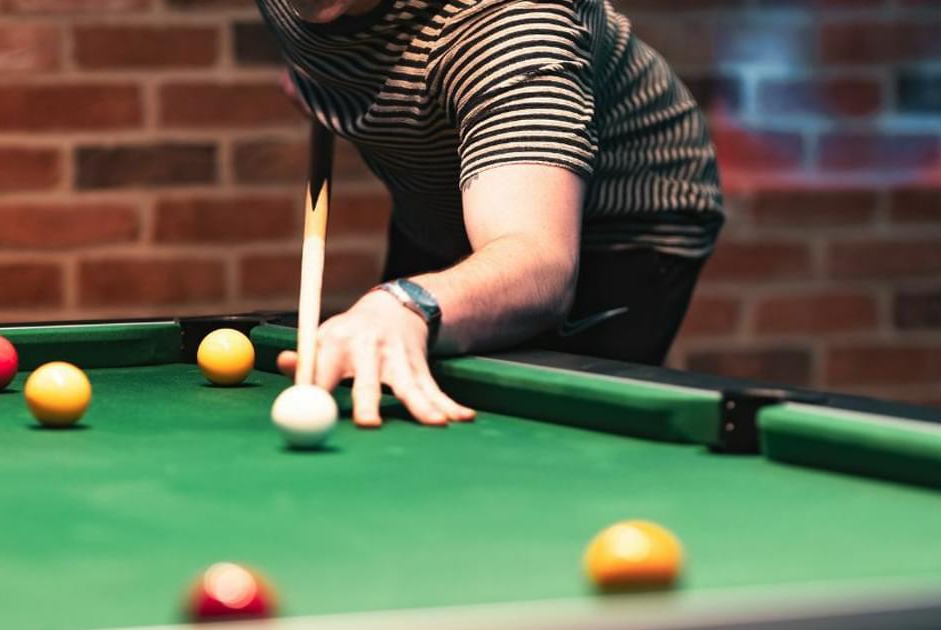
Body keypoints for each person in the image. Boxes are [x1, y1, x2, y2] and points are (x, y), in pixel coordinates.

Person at [260, 0, 724, 428]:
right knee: (397, 384)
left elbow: (537, 259)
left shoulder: (515, 23)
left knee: (541, 446)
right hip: (439, 201)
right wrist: (324, 73)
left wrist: (408, 303)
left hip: (613, 222)